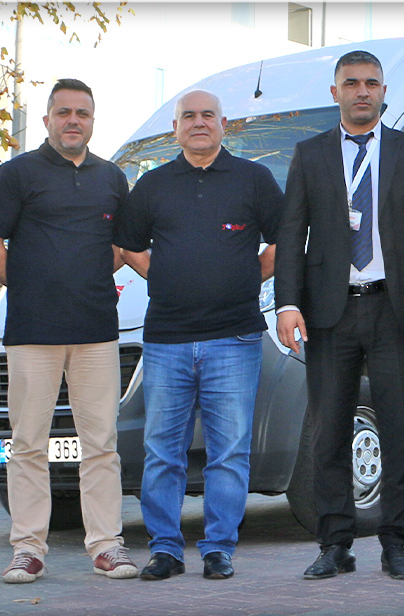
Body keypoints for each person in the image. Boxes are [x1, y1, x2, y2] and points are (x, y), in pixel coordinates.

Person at [273, 49, 404, 581]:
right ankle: (335, 544)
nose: (362, 91)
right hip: (329, 313)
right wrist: (287, 303)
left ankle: (396, 543)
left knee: (399, 430)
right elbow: (291, 234)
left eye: (371, 82)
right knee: (328, 432)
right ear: (336, 93)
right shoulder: (309, 154)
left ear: (383, 91)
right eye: (352, 83)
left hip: (396, 310)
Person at [0, 78, 138, 584]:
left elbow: (122, 247)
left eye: (82, 113)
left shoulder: (112, 178)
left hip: (96, 331)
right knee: (27, 443)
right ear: (46, 120)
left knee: (101, 443)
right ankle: (28, 549)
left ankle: (106, 546)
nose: (73, 120)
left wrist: (85, 279)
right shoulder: (17, 173)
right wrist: (32, 288)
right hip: (32, 332)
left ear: (92, 121)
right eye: (63, 112)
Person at [116, 89, 281, 582]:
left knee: (228, 451)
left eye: (208, 115)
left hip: (235, 338)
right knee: (161, 451)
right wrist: (164, 275)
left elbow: (285, 239)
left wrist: (250, 276)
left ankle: (218, 549)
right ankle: (165, 549)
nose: (199, 122)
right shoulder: (153, 185)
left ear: (224, 124)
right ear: (176, 128)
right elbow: (128, 245)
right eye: (188, 116)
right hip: (166, 339)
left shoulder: (254, 179)